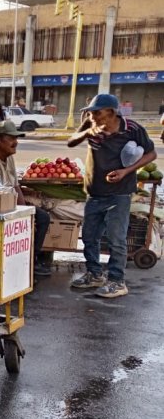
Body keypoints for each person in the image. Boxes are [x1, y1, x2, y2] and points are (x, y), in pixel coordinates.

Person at [67, 93, 156, 298]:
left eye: (97, 112)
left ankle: (117, 281)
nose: (93, 116)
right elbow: (71, 142)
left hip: (119, 192)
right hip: (94, 191)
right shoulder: (91, 125)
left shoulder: (132, 129)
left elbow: (151, 154)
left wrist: (127, 171)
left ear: (112, 112)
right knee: (90, 236)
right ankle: (94, 274)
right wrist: (87, 132)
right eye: (90, 112)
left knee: (116, 238)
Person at [0, 120, 52, 277]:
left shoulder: (8, 156)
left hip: (6, 202)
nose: (16, 142)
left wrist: (26, 212)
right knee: (35, 219)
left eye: (16, 138)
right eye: (11, 138)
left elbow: (15, 185)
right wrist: (23, 215)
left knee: (42, 217)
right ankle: (25, 262)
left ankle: (30, 260)